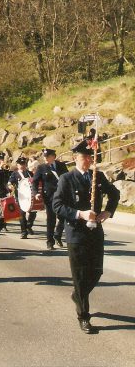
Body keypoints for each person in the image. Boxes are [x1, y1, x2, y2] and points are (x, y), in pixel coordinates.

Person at [53, 140, 119, 334]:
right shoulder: (67, 178)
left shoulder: (97, 176)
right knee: (80, 276)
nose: (87, 160)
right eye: (84, 157)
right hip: (76, 234)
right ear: (75, 158)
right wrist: (79, 214)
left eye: (90, 157)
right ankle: (84, 316)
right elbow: (57, 205)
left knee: (97, 272)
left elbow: (114, 193)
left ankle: (78, 295)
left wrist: (108, 212)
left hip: (95, 232)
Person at [32, 148, 69, 250]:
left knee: (63, 217)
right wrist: (36, 193)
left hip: (62, 196)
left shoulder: (61, 166)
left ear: (53, 156)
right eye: (44, 157)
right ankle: (50, 241)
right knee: (51, 219)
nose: (45, 159)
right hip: (49, 197)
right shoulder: (41, 168)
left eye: (47, 157)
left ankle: (57, 235)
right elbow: (34, 181)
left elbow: (67, 179)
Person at [8, 157, 37, 239]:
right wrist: (10, 186)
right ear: (17, 165)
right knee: (22, 215)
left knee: (33, 212)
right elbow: (10, 182)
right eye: (20, 164)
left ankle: (29, 225)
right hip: (20, 197)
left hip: (30, 196)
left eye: (23, 164)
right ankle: (24, 232)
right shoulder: (15, 174)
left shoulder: (29, 173)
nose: (22, 166)